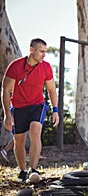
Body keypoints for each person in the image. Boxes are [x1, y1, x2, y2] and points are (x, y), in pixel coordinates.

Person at [1, 38, 59, 182]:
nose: (44, 55)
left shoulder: (46, 67)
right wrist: (7, 115)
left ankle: (33, 170)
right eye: (41, 51)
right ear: (31, 50)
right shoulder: (15, 66)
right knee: (19, 141)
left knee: (35, 131)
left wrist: (55, 110)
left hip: (37, 105)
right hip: (18, 107)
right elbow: (6, 90)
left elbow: (51, 90)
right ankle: (22, 171)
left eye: (45, 51)